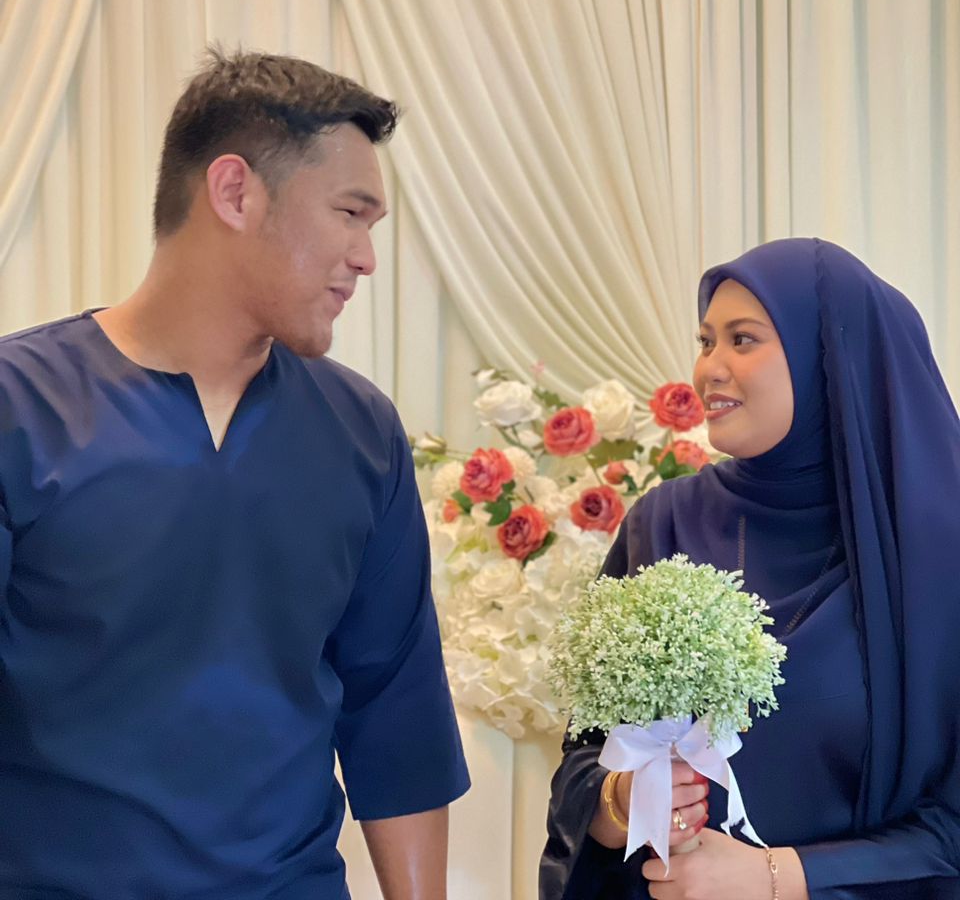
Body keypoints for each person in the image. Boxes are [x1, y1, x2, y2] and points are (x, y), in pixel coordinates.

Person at [0, 48, 469, 899]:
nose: (367, 257)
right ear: (234, 193)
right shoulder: (19, 408)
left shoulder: (362, 432)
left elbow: (395, 720)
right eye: (350, 213)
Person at [541, 237, 960, 899]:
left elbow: (951, 828)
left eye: (743, 339)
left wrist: (775, 877)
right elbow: (584, 758)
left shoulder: (936, 554)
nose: (710, 367)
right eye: (706, 341)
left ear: (830, 357)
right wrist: (621, 802)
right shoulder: (665, 523)